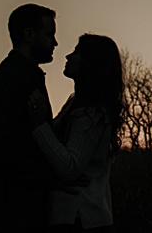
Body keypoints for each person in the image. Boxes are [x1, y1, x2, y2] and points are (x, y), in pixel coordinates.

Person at [0, 3, 58, 233]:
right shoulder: (10, 81)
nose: (55, 43)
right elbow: (2, 149)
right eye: (49, 35)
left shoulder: (19, 77)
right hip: (7, 216)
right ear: (29, 35)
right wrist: (55, 178)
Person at [29, 33, 125, 232]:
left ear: (91, 62)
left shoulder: (92, 112)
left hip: (80, 218)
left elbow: (70, 167)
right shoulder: (76, 104)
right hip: (75, 217)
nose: (68, 56)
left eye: (76, 52)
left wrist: (39, 126)